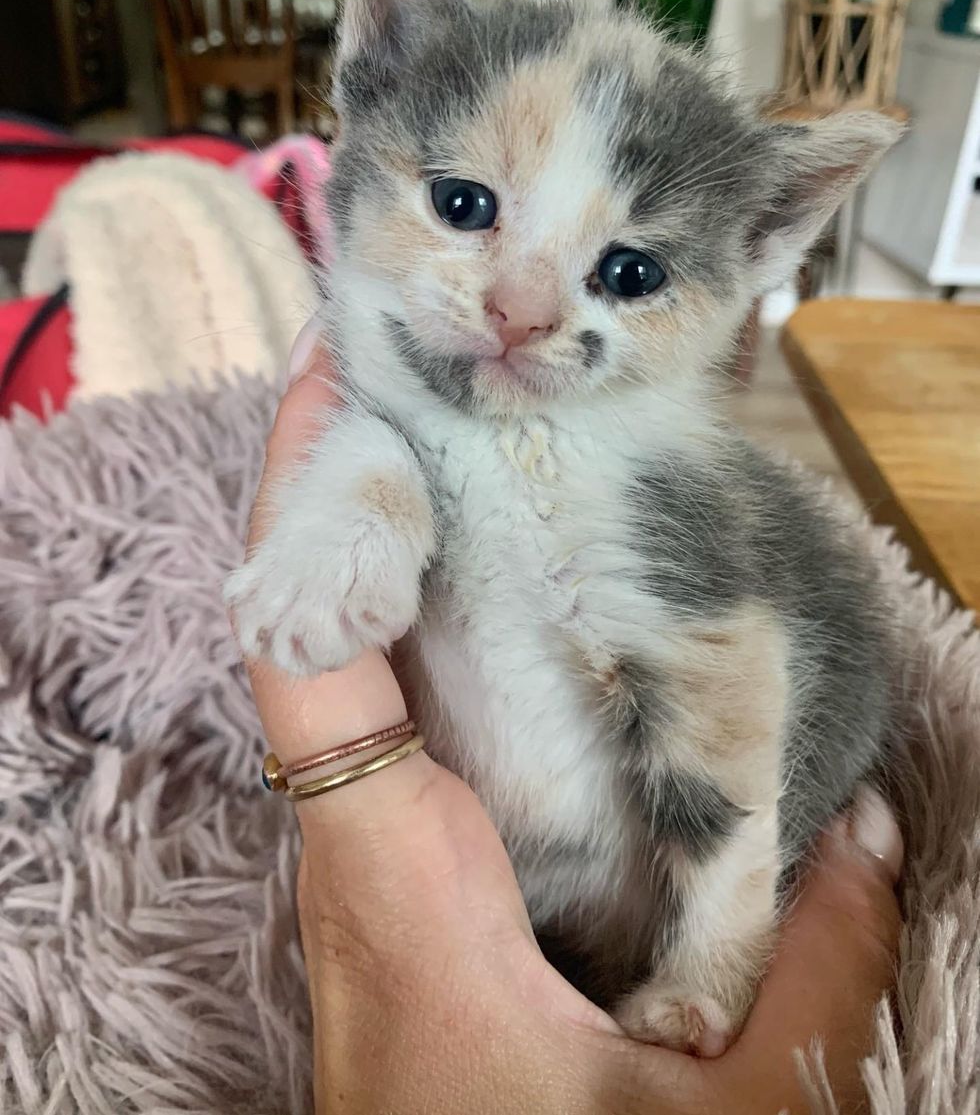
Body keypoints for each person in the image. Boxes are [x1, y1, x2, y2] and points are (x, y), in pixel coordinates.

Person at [237, 322, 904, 1115]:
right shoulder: (397, 397)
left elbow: (734, 680)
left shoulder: (653, 476)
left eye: (627, 271)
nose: (516, 316)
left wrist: (716, 960)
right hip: (534, 886)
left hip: (640, 891)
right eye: (462, 201)